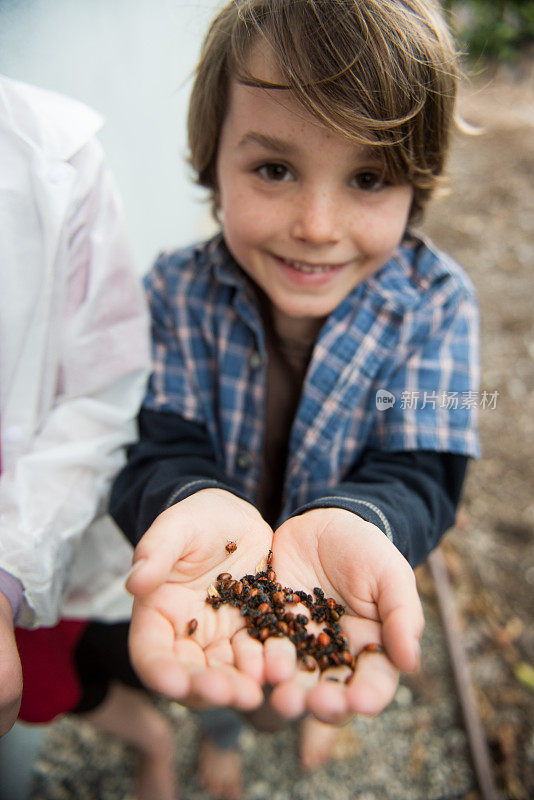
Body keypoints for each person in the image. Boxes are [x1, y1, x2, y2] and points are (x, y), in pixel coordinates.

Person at [110, 1, 480, 797]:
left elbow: (423, 470)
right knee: (210, 658)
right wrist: (189, 497)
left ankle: (315, 701)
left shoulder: (437, 303)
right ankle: (221, 738)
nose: (316, 224)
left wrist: (360, 523)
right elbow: (156, 446)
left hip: (338, 577)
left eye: (369, 177)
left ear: (418, 187)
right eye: (274, 169)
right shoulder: (175, 292)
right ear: (212, 162)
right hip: (215, 572)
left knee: (311, 668)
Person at [0, 74, 179, 800]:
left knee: (55, 681)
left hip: (37, 538)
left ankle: (155, 736)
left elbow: (105, 398)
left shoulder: (54, 154)